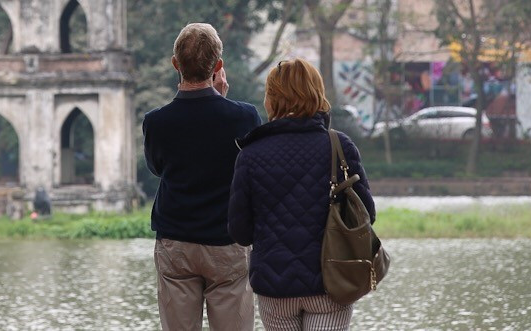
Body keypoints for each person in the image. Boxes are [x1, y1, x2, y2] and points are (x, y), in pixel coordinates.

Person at [228, 58, 376, 331]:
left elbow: (240, 231)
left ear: (271, 98)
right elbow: (367, 214)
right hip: (331, 281)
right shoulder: (339, 146)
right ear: (316, 93)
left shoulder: (250, 154)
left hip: (275, 287)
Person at [143, 23, 262, 330]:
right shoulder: (243, 116)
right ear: (218, 66)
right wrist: (221, 100)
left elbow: (157, 168)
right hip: (227, 240)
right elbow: (249, 169)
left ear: (175, 64)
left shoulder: (156, 122)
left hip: (176, 241)